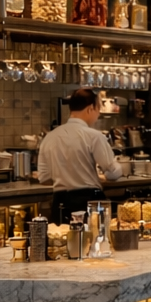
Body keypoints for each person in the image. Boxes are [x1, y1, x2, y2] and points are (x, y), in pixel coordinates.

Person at [37, 87, 123, 223]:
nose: (98, 114)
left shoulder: (50, 137)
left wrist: (66, 176)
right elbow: (112, 173)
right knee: (94, 236)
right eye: (98, 109)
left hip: (60, 203)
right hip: (88, 202)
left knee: (62, 236)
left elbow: (44, 178)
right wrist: (118, 168)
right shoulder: (94, 136)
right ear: (90, 108)